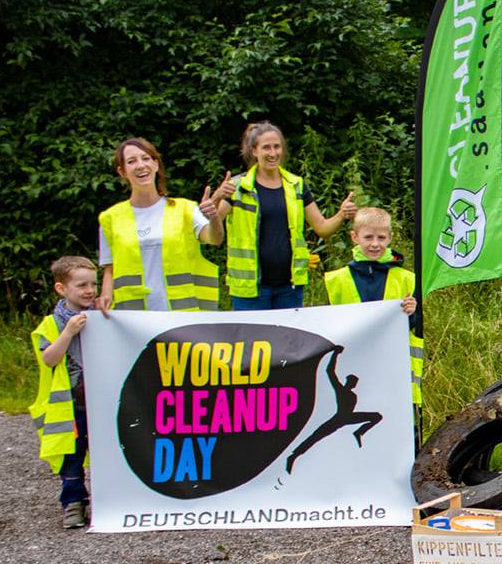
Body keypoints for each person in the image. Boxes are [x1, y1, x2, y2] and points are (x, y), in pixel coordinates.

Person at [211, 121, 357, 310]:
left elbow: (322, 228)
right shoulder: (237, 186)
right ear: (254, 151)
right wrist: (216, 197)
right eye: (266, 147)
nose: (273, 153)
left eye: (277, 146)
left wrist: (342, 214)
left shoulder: (296, 185)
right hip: (249, 290)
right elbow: (210, 232)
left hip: (290, 289)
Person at [96, 137, 223, 312]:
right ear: (122, 171)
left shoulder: (185, 209)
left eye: (146, 158)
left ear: (155, 164)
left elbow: (215, 238)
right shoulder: (110, 218)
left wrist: (214, 217)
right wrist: (105, 296)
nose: (140, 165)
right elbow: (110, 269)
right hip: (136, 318)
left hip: (184, 315)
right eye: (131, 161)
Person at [323, 207, 423, 405]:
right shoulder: (337, 280)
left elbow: (416, 325)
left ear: (390, 238)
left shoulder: (407, 279)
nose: (375, 244)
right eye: (368, 237)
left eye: (381, 237)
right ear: (354, 237)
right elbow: (327, 324)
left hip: (394, 367)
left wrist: (412, 312)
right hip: (352, 364)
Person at [30, 256, 100, 528]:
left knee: (106, 453)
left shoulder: (104, 315)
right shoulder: (51, 324)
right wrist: (68, 333)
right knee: (72, 457)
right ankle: (74, 503)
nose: (90, 290)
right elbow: (49, 359)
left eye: (93, 284)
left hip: (100, 400)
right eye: (82, 285)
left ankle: (108, 502)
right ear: (61, 289)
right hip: (71, 405)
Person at [285, 347, 383, 473]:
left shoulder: (353, 395)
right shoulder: (340, 389)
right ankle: (293, 456)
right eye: (353, 381)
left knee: (377, 416)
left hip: (349, 417)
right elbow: (330, 371)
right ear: (348, 381)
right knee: (315, 437)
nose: (354, 384)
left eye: (355, 382)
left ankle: (359, 432)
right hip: (339, 418)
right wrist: (335, 353)